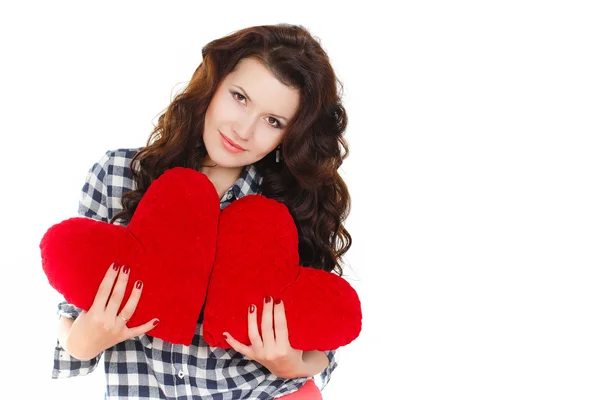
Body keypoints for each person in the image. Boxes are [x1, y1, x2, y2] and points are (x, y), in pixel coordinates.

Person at [52, 23, 353, 399]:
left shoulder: (291, 204)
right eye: (240, 97)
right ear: (213, 85)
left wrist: (291, 364)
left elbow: (321, 339)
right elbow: (70, 311)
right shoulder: (118, 176)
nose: (243, 130)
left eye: (273, 121)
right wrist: (83, 343)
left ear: (289, 135)